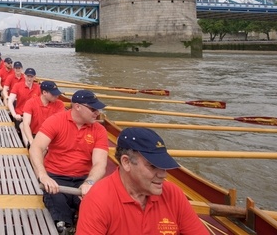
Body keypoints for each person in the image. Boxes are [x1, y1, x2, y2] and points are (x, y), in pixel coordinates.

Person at [76, 127, 208, 235]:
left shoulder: (173, 194)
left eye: (164, 166)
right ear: (126, 162)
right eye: (153, 166)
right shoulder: (97, 201)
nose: (163, 175)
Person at [29, 90, 109, 233]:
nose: (97, 113)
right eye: (93, 109)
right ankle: (65, 225)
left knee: (98, 206)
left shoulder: (99, 130)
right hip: (56, 176)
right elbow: (36, 147)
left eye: (98, 109)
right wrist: (43, 175)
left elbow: (100, 164)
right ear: (77, 107)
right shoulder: (56, 121)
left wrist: (90, 182)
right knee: (56, 201)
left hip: (84, 179)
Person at [22, 80, 66, 148]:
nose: (57, 96)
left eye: (57, 93)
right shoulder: (30, 102)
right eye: (53, 94)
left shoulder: (60, 104)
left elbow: (60, 124)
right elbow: (26, 124)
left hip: (52, 137)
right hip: (35, 135)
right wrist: (31, 141)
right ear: (44, 92)